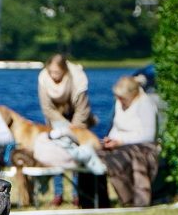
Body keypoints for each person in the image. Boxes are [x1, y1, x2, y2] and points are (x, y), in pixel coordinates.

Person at [38, 54, 97, 205]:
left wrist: (74, 128)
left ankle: (78, 194)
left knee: (76, 154)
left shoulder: (77, 79)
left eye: (57, 72)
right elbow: (47, 108)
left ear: (64, 71)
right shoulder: (44, 79)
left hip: (78, 119)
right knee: (57, 153)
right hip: (55, 119)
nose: (53, 75)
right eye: (51, 71)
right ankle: (58, 194)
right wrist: (61, 127)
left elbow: (82, 108)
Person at [99, 75, 159, 207]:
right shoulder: (119, 103)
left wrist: (121, 141)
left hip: (143, 146)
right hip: (121, 145)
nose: (118, 100)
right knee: (95, 154)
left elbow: (147, 135)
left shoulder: (145, 104)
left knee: (117, 159)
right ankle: (96, 201)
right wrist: (110, 139)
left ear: (133, 94)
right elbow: (116, 127)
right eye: (117, 97)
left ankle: (134, 200)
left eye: (122, 98)